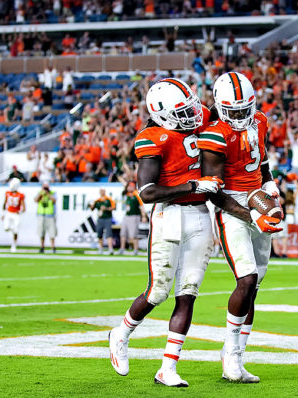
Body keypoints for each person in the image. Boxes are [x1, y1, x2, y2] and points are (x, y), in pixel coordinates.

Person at [108, 78, 223, 387]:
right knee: (159, 292)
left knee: (188, 293)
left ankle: (168, 368)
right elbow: (146, 191)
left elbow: (218, 110)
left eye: (192, 108)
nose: (193, 116)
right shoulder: (152, 137)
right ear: (162, 114)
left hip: (200, 214)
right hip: (170, 215)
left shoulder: (197, 119)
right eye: (183, 112)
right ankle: (120, 334)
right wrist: (192, 185)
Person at [198, 71, 282, 383]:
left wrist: (270, 185)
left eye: (244, 109)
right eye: (233, 111)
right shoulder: (215, 134)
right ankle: (229, 353)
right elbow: (213, 191)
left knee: (254, 287)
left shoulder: (259, 120)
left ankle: (240, 356)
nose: (240, 116)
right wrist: (250, 214)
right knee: (245, 279)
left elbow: (262, 161)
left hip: (256, 197)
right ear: (220, 106)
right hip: (230, 205)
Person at [119, 182, 146, 255]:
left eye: (131, 186)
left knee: (133, 234)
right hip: (127, 215)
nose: (129, 188)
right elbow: (123, 183)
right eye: (129, 186)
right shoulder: (127, 194)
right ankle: (122, 248)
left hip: (134, 216)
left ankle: (135, 249)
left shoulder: (136, 194)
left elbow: (141, 206)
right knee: (123, 233)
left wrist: (143, 216)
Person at [3, 178, 26, 253]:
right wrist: (3, 213)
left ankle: (14, 245)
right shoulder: (7, 193)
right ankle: (12, 228)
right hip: (9, 213)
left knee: (15, 231)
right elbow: (4, 204)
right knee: (6, 228)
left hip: (15, 214)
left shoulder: (20, 195)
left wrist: (19, 211)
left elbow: (23, 207)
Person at [90, 188, 115, 255]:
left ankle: (110, 248)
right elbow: (92, 209)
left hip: (107, 218)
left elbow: (113, 207)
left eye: (103, 191)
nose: (102, 192)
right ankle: (100, 248)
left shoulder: (109, 199)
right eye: (101, 191)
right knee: (99, 234)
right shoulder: (97, 200)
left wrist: (106, 208)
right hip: (100, 219)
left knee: (108, 234)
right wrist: (91, 206)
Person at [35, 182, 57, 253]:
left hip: (50, 215)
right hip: (41, 215)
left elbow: (54, 200)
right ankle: (42, 247)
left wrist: (48, 193)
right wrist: (41, 193)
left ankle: (53, 247)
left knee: (52, 232)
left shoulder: (52, 193)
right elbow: (36, 200)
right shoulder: (40, 193)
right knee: (41, 232)